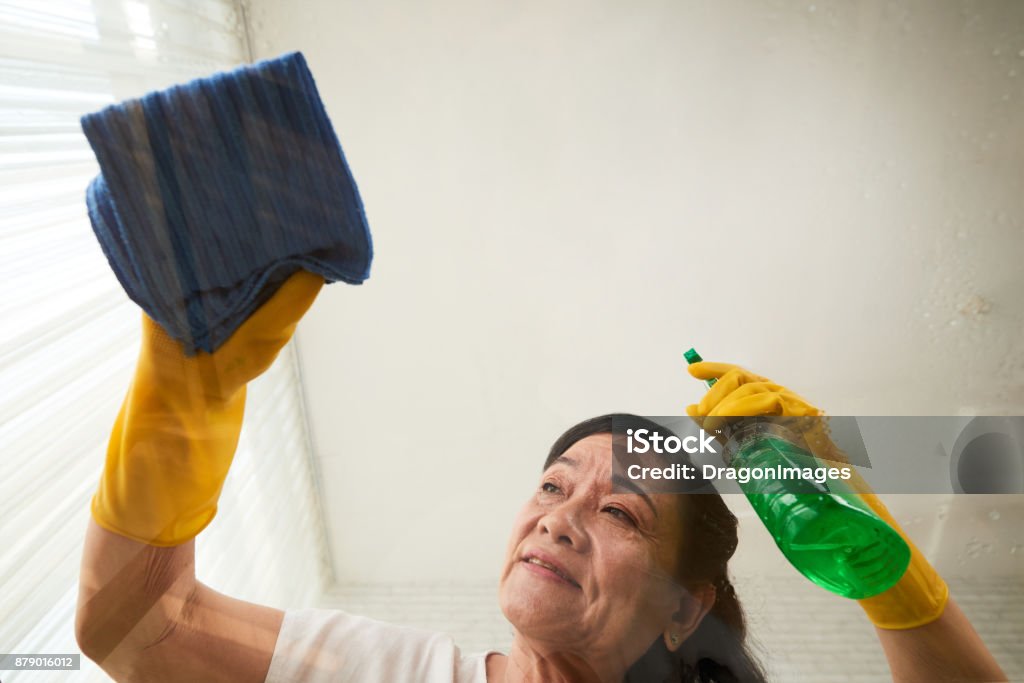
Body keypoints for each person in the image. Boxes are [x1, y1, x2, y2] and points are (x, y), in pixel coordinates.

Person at [75, 272, 1008, 682]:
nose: (558, 520)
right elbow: (139, 626)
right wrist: (188, 383)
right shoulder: (381, 670)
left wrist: (888, 581)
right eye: (554, 487)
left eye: (622, 514)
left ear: (687, 609)